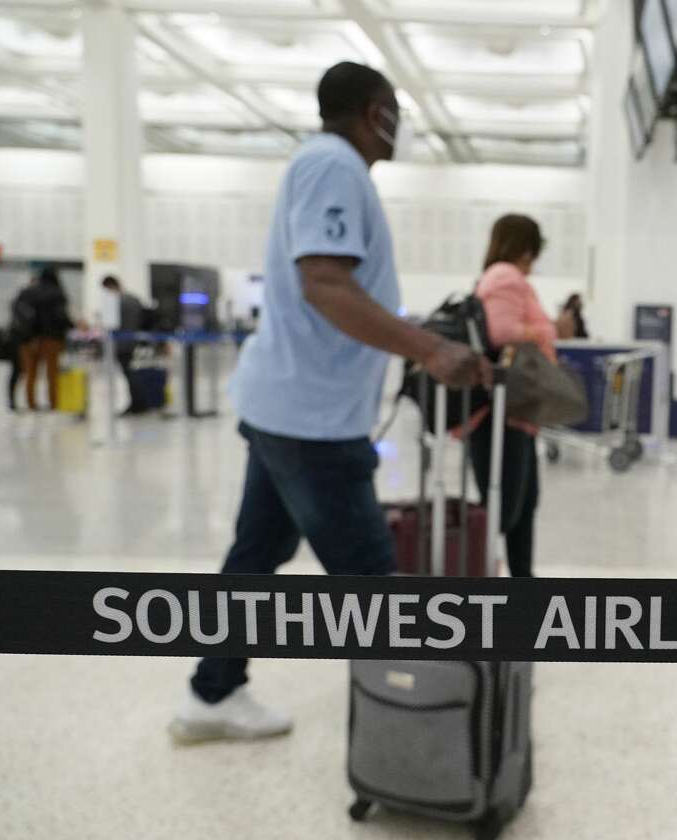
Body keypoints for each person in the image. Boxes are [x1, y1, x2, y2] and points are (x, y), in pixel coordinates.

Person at [171, 62, 486, 744]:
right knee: (372, 584)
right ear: (376, 112)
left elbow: (340, 289)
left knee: (255, 556)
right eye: (395, 110)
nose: (399, 124)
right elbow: (325, 283)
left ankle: (211, 693)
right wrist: (428, 352)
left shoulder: (327, 167)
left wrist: (418, 334)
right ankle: (422, 746)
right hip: (310, 424)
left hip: (290, 411)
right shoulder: (333, 165)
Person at [470, 214, 557, 578]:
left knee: (523, 503)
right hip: (501, 415)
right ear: (527, 248)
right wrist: (542, 332)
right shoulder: (506, 276)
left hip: (517, 414)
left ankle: (523, 580)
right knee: (505, 508)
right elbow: (501, 330)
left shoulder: (500, 276)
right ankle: (486, 579)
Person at [17, 267, 73, 411]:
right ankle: (53, 403)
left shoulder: (27, 292)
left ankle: (31, 403)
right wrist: (71, 326)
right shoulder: (57, 293)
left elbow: (17, 312)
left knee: (30, 373)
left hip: (29, 339)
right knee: (52, 373)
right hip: (51, 339)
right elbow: (61, 316)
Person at [100, 275, 150, 415]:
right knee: (132, 374)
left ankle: (138, 404)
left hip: (122, 343)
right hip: (134, 340)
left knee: (130, 374)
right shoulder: (134, 299)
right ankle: (138, 404)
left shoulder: (117, 301)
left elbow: (111, 324)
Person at [3, 275, 35, 411]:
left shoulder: (19, 300)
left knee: (18, 371)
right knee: (19, 370)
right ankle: (17, 400)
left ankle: (15, 400)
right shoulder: (26, 301)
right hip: (23, 341)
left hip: (19, 340)